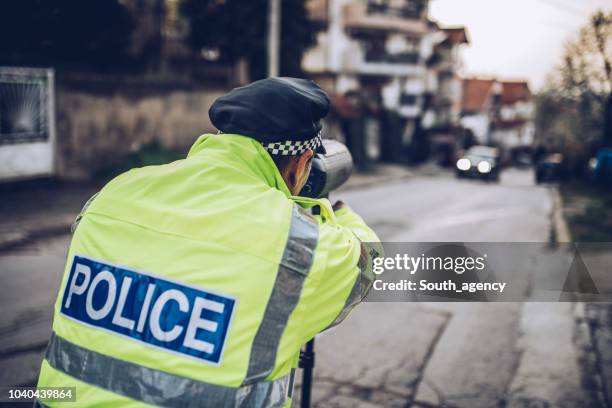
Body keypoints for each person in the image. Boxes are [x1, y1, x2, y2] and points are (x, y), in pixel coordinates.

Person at [36, 77, 380, 407]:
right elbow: (368, 260)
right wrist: (331, 210)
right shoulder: (300, 243)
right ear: (302, 163)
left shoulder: (114, 193)